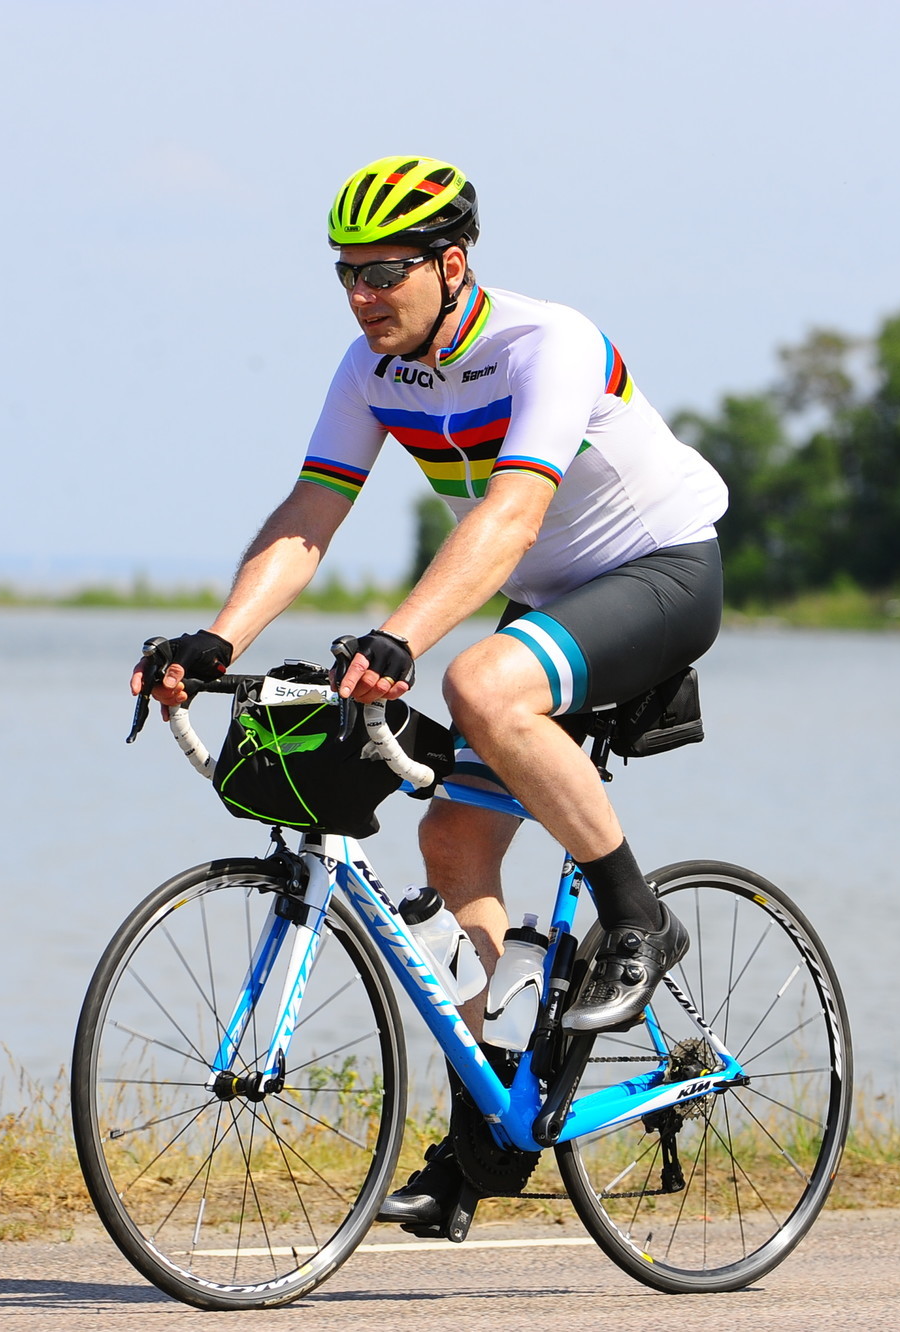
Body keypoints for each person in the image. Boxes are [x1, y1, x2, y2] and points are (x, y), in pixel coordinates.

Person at [130, 155, 727, 1230]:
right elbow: (311, 513)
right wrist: (217, 639)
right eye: (346, 274)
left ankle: (639, 917)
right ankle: (490, 1132)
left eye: (383, 273)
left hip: (660, 571)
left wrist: (401, 638)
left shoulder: (548, 343)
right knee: (451, 842)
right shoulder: (372, 369)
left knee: (476, 681)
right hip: (548, 599)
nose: (362, 296)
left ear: (452, 266)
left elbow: (512, 515)